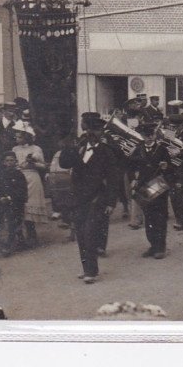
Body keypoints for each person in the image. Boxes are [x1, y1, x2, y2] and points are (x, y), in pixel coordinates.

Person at [59, 115, 119, 284]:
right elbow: (65, 164)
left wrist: (110, 202)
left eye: (95, 130)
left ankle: (91, 271)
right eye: (88, 130)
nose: (91, 133)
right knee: (80, 233)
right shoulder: (79, 148)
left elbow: (113, 177)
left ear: (100, 132)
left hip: (97, 198)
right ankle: (87, 268)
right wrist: (68, 146)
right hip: (79, 198)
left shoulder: (106, 151)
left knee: (90, 233)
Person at [129, 121, 172, 260]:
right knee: (149, 217)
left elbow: (171, 167)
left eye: (151, 134)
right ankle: (153, 245)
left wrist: (166, 167)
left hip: (159, 187)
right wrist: (133, 179)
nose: (149, 137)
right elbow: (131, 165)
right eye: (146, 135)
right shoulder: (138, 148)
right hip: (144, 186)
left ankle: (161, 247)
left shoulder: (162, 149)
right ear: (142, 136)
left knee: (160, 217)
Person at [12, 123, 49, 248]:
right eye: (16, 137)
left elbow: (43, 166)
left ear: (26, 137)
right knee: (19, 207)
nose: (17, 139)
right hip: (18, 178)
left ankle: (32, 235)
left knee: (30, 206)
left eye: (19, 137)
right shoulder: (15, 150)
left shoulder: (36, 149)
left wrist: (33, 162)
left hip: (32, 178)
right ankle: (20, 238)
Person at [0, 151, 28, 255]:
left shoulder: (19, 174)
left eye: (12, 160)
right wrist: (2, 196)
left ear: (16, 162)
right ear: (4, 162)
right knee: (11, 222)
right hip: (6, 202)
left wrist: (11, 197)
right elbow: (0, 188)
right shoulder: (2, 175)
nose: (9, 163)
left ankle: (9, 245)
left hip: (17, 202)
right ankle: (20, 242)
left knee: (16, 222)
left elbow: (22, 189)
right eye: (7, 161)